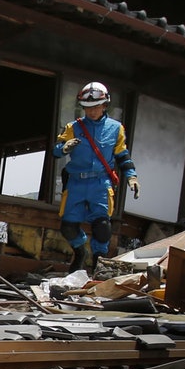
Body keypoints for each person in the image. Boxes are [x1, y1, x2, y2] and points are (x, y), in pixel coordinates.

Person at [53, 82, 138, 272]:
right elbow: (56, 150)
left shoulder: (116, 128)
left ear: (105, 105)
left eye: (96, 107)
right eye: (87, 108)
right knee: (68, 226)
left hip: (100, 182)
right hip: (76, 181)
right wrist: (64, 148)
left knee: (102, 227)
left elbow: (122, 155)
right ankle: (80, 251)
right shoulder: (73, 127)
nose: (91, 111)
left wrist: (131, 176)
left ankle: (99, 263)